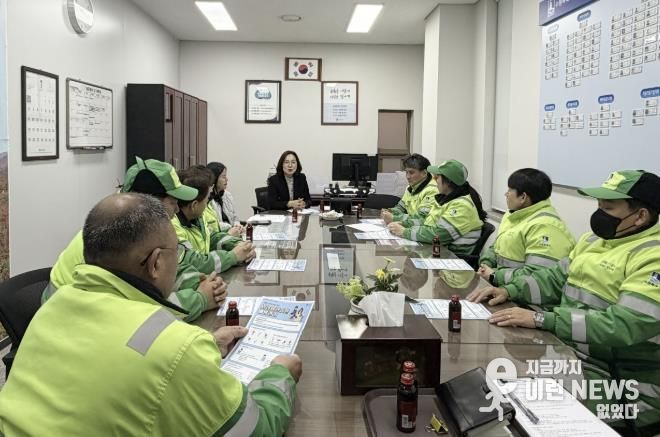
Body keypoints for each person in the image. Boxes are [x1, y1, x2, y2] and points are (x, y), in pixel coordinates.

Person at [0, 193, 302, 435]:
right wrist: (280, 375)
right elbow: (253, 429)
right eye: (176, 253)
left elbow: (112, 357)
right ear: (156, 263)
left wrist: (208, 344)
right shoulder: (174, 346)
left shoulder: (51, 307)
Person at [468, 170, 660, 434]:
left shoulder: (652, 257)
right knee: (492, 387)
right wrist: (509, 290)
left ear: (640, 216)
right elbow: (554, 279)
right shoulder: (594, 240)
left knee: (523, 413)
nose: (599, 214)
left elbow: (624, 324)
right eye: (598, 206)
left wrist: (543, 319)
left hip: (627, 385)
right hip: (573, 357)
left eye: (608, 208)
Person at [43, 157, 226, 322]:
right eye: (173, 202)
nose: (178, 210)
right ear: (150, 204)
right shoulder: (121, 240)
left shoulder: (137, 229)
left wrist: (200, 282)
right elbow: (141, 316)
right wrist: (200, 299)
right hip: (69, 322)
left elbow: (173, 266)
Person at [476, 168, 575, 303]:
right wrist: (485, 264)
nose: (506, 194)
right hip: (504, 290)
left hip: (529, 302)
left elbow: (536, 277)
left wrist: (495, 275)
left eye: (510, 190)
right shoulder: (514, 215)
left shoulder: (546, 226)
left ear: (523, 197)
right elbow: (497, 246)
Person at [388, 159, 486, 256]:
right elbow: (426, 222)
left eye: (437, 177)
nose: (434, 180)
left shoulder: (462, 206)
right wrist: (404, 223)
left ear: (448, 181)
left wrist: (404, 232)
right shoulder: (444, 200)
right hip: (438, 250)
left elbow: (438, 235)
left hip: (453, 257)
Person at [173, 165, 255, 276]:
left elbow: (212, 238)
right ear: (194, 205)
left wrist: (241, 246)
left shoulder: (197, 218)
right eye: (207, 200)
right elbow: (194, 262)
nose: (207, 204)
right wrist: (233, 256)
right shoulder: (173, 226)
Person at [381, 153, 438, 225]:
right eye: (406, 172)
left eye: (411, 173)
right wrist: (391, 212)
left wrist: (394, 218)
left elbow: (422, 219)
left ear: (424, 173)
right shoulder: (410, 187)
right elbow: (401, 208)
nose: (407, 176)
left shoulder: (433, 190)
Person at [206, 161, 243, 235]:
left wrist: (237, 226)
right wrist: (231, 228)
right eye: (223, 177)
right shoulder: (207, 199)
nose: (227, 179)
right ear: (214, 178)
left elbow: (235, 217)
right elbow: (214, 225)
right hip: (221, 235)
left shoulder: (227, 195)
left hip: (233, 233)